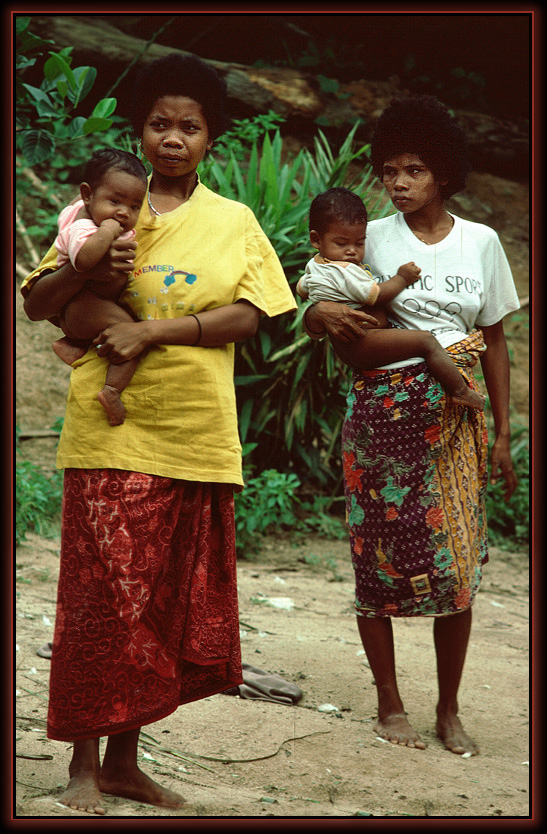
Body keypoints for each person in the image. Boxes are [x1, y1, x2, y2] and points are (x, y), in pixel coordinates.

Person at [21, 53, 296, 815]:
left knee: (158, 606)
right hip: (109, 434)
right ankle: (80, 762)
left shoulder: (233, 221)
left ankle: (124, 762)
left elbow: (254, 313)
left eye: (190, 126)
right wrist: (88, 260)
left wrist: (154, 333)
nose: (173, 138)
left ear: (211, 138)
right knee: (99, 598)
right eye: (159, 124)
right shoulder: (105, 206)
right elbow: (39, 304)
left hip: (195, 435)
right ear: (139, 130)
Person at [303, 94, 519, 756]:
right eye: (389, 170)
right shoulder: (366, 236)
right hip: (379, 415)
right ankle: (388, 701)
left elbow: (496, 341)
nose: (397, 183)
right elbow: (323, 302)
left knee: (454, 564)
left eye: (413, 170)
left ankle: (448, 710)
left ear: (444, 173)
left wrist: (504, 434)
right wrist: (316, 317)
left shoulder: (479, 242)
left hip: (457, 420)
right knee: (377, 557)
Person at [297, 187, 485, 410]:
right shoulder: (344, 271)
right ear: (316, 239)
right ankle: (461, 391)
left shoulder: (317, 265)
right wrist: (402, 278)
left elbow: (302, 289)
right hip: (362, 340)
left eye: (359, 243)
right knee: (426, 342)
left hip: (355, 343)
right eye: (342, 244)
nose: (351, 251)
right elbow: (375, 296)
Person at [52, 148, 148, 426]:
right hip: (86, 305)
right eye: (115, 201)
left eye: (134, 206)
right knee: (131, 339)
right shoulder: (83, 228)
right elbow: (83, 262)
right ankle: (112, 390)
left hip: (92, 306)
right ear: (87, 195)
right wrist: (106, 232)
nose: (123, 212)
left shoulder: (87, 211)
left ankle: (74, 344)